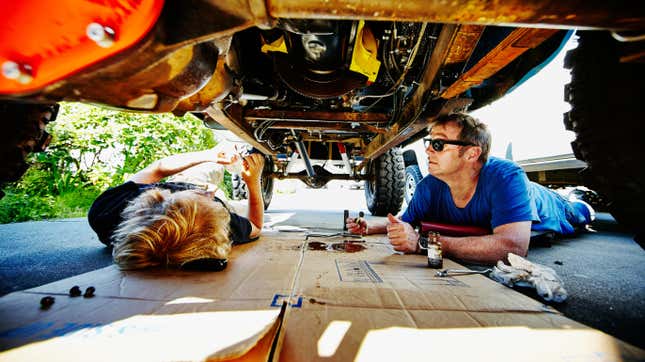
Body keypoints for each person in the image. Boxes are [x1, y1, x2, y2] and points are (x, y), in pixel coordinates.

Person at [347, 113, 594, 264]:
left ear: (472, 153)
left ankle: (581, 200)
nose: (428, 150)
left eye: (439, 143)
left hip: (552, 208)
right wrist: (371, 227)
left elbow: (514, 247)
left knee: (579, 214)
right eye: (429, 142)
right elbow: (405, 223)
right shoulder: (429, 187)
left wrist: (423, 244)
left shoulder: (507, 176)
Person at [87, 147, 265, 270]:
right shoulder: (222, 225)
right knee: (235, 206)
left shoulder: (106, 210)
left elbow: (158, 169)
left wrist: (211, 154)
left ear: (154, 198)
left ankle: (222, 152)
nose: (210, 193)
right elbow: (256, 225)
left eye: (200, 197)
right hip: (203, 197)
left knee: (212, 164)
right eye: (209, 199)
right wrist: (253, 181)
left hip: (181, 182)